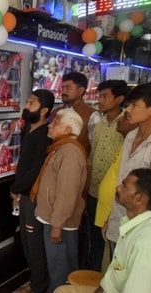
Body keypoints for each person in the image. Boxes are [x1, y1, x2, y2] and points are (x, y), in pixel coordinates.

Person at [55, 169, 151, 293]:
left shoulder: (148, 244)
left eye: (124, 186)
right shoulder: (133, 225)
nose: (118, 188)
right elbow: (112, 279)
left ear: (139, 199)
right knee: (62, 290)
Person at [105, 82, 151, 251]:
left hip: (138, 236)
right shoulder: (131, 136)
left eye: (134, 105)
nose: (128, 110)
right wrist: (111, 218)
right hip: (118, 223)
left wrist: (143, 242)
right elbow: (122, 181)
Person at [31, 108, 88, 292]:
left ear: (67, 129)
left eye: (55, 122)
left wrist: (57, 225)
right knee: (57, 266)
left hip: (60, 223)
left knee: (60, 269)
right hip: (55, 219)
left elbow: (67, 192)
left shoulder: (69, 152)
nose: (50, 124)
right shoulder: (61, 147)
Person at [50, 72, 99, 269]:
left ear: (81, 90)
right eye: (62, 87)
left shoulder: (92, 115)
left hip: (78, 176)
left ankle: (79, 270)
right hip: (56, 175)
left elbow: (94, 149)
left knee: (77, 224)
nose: (63, 91)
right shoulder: (57, 113)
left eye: (67, 87)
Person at [9, 89, 55, 293]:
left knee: (35, 245)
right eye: (27, 101)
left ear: (44, 110)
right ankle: (35, 281)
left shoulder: (45, 134)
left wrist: (16, 188)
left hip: (33, 196)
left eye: (32, 103)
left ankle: (39, 286)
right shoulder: (28, 127)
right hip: (23, 194)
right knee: (27, 243)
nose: (26, 105)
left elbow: (35, 170)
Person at [86, 79, 131, 272]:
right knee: (94, 236)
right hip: (95, 191)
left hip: (116, 194)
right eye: (99, 95)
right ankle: (94, 275)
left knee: (114, 238)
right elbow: (92, 157)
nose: (100, 100)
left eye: (105, 96)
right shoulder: (99, 124)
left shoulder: (127, 126)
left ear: (119, 98)